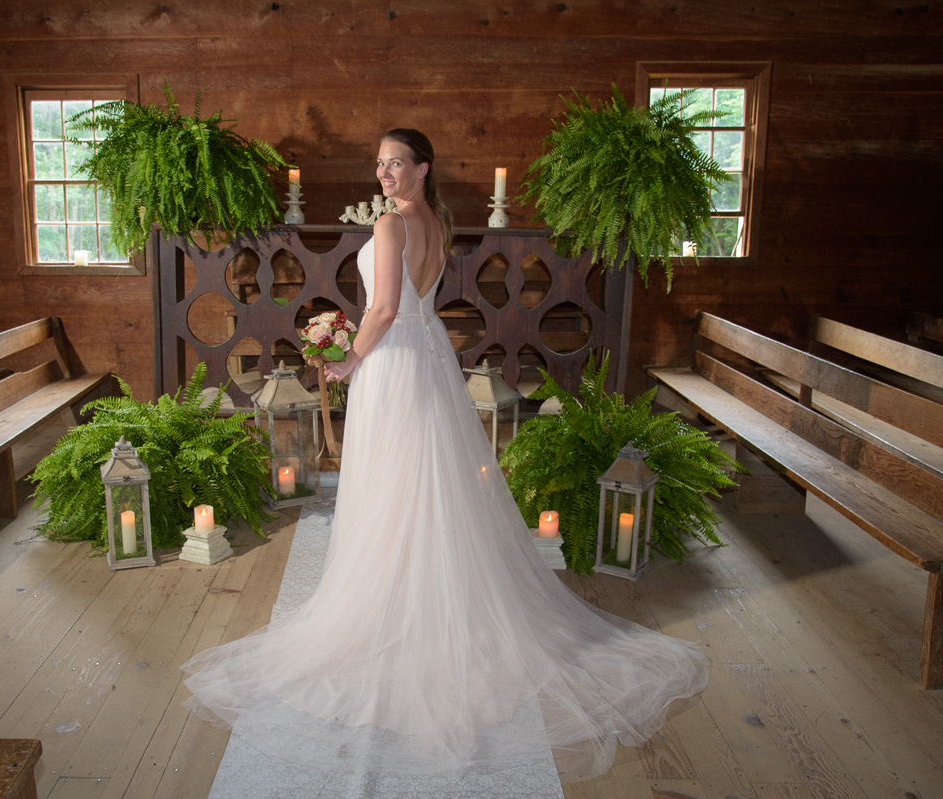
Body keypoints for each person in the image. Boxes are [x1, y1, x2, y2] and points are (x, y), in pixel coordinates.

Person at [182, 129, 708, 781]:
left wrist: (347, 356)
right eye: (379, 164)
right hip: (428, 357)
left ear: (422, 167)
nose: (385, 173)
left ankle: (395, 600)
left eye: (396, 163)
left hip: (395, 361)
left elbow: (383, 308)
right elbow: (413, 304)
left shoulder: (392, 226)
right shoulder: (433, 220)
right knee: (422, 478)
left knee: (394, 480)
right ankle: (426, 582)